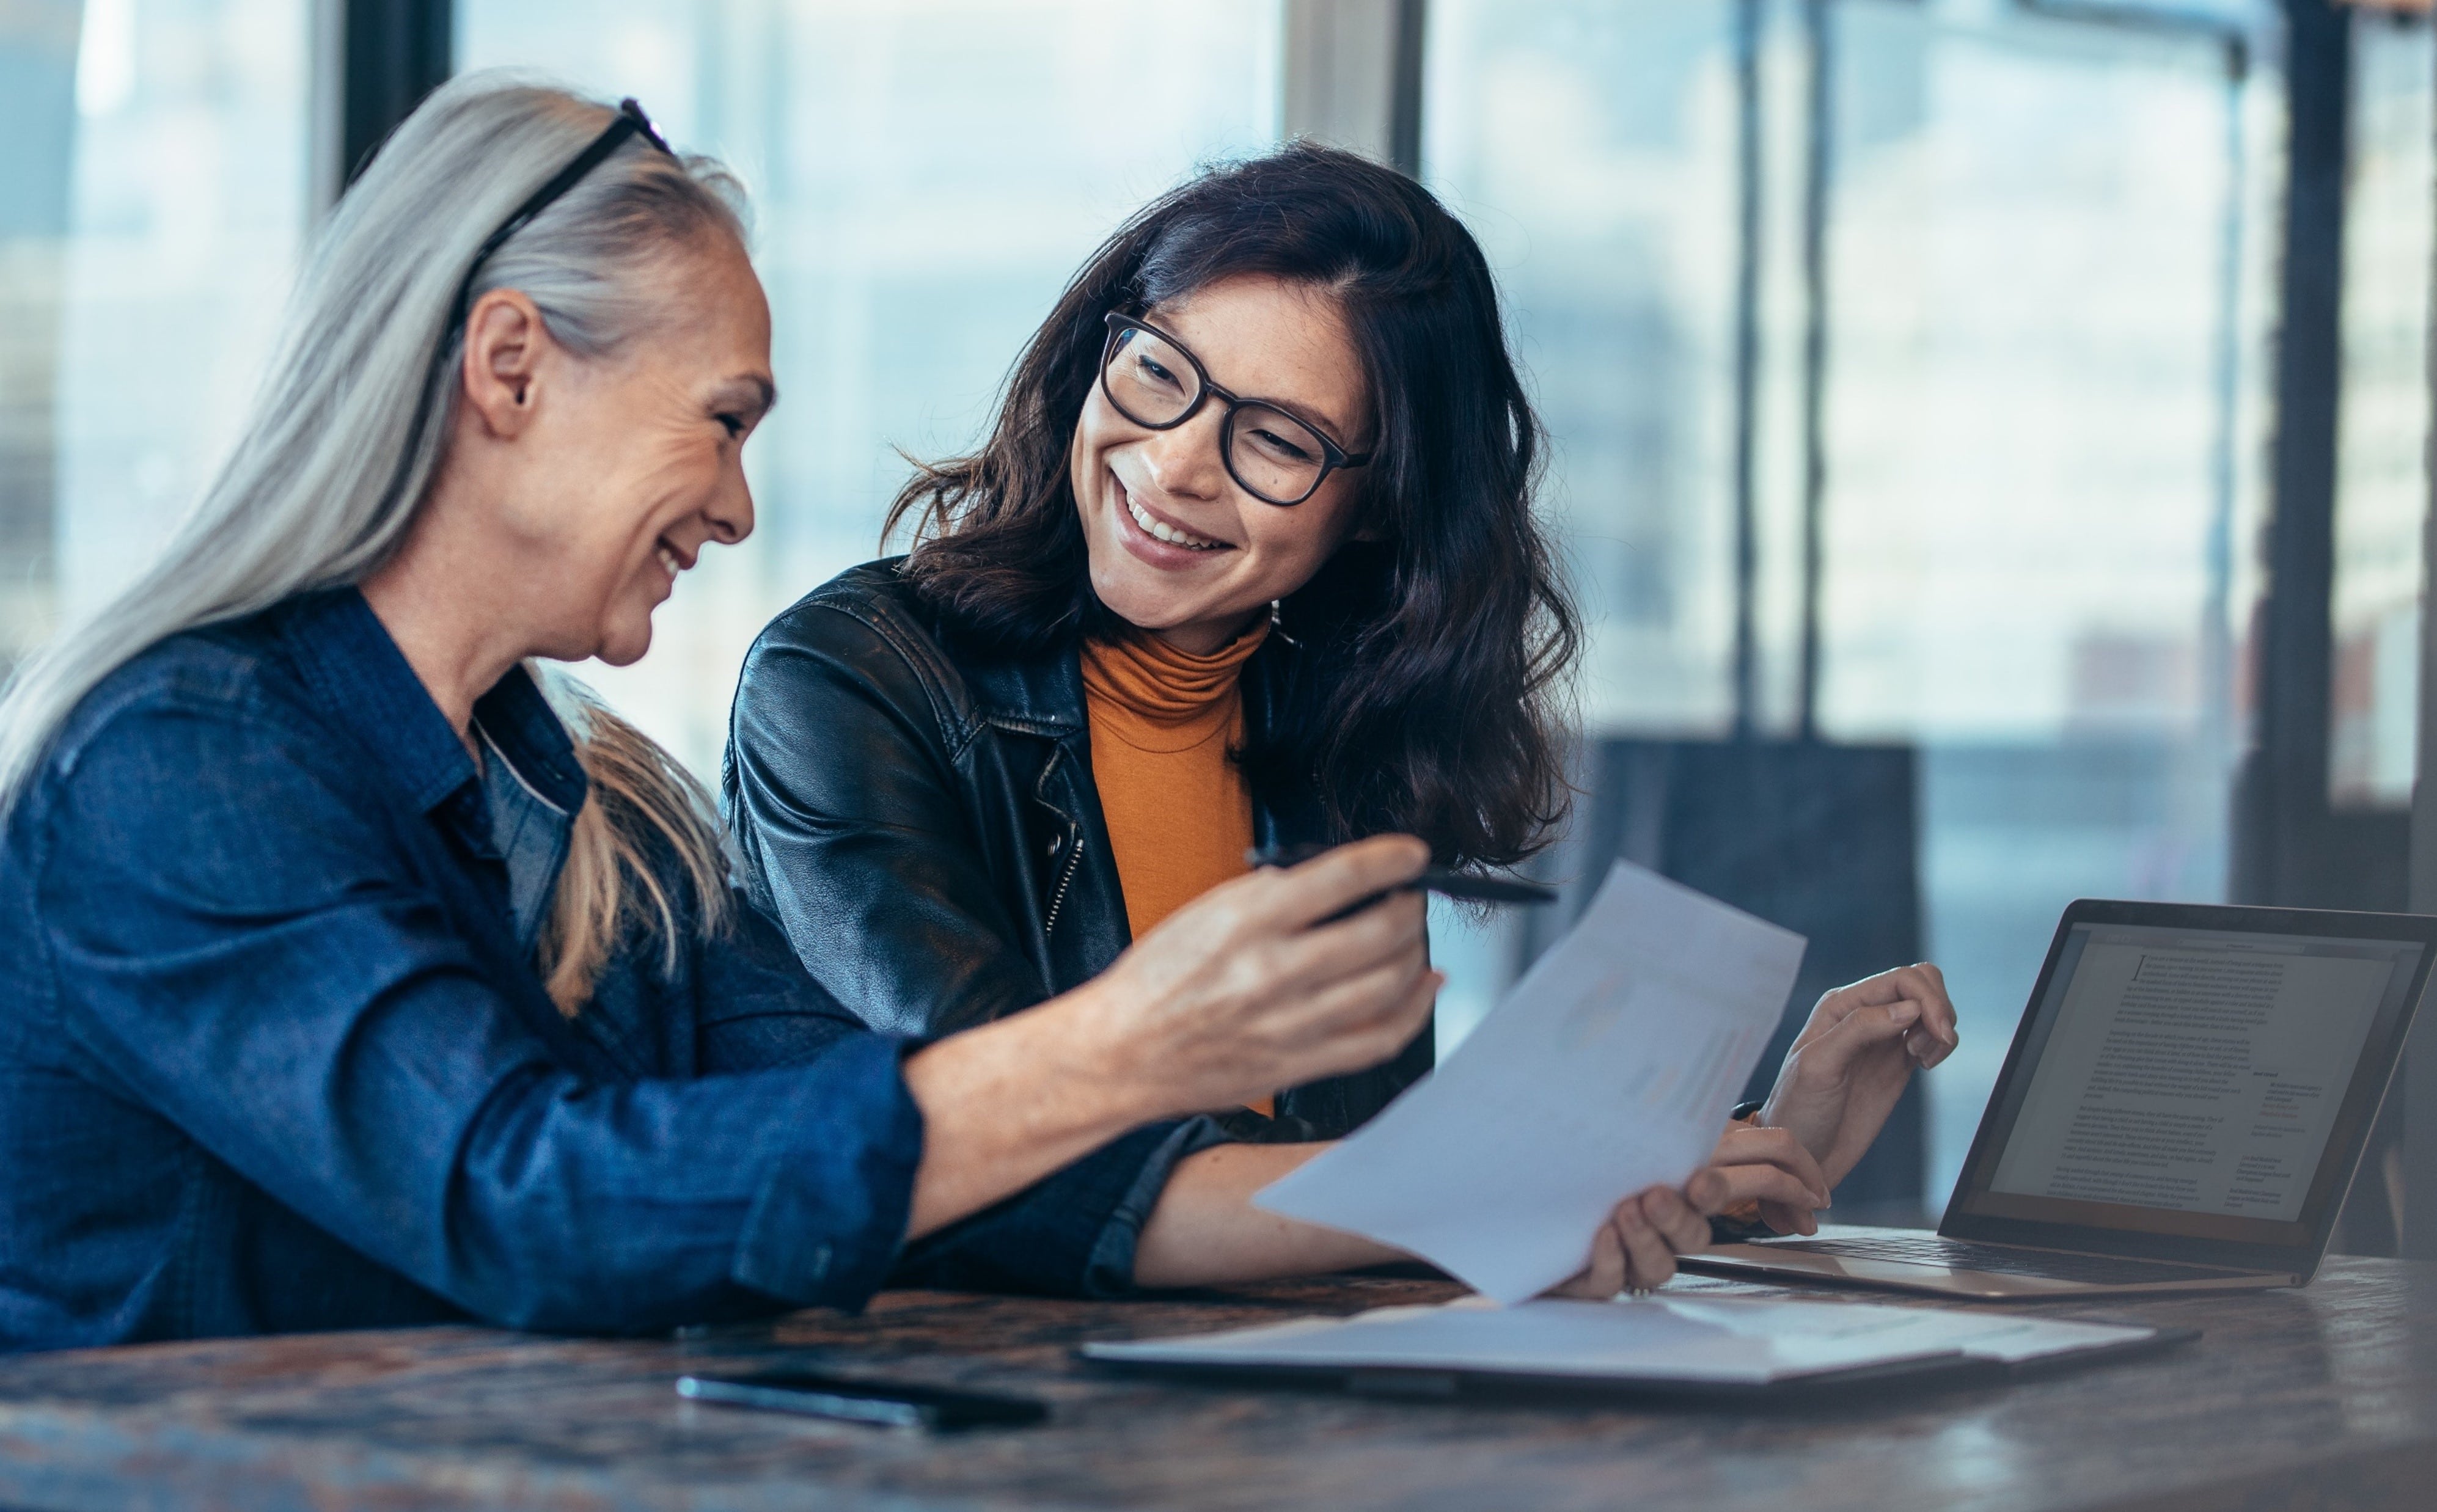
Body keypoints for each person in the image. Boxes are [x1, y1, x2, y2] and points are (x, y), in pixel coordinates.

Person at [0, 81, 1816, 1354]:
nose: (735, 506)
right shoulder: (183, 763)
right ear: (507, 369)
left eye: (1269, 438)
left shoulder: (580, 795)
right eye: (721, 419)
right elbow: (523, 1199)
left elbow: (939, 1173)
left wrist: (1519, 1198)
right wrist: (1116, 1050)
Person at [726, 143, 1958, 1214]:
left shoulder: (1338, 737)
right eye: (1158, 372)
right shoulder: (848, 679)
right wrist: (1529, 1177)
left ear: (1374, 511)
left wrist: (1725, 1153)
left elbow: (1371, 1191)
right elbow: (1003, 1135)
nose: (1173, 466)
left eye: (1274, 439)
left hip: (1270, 1401)